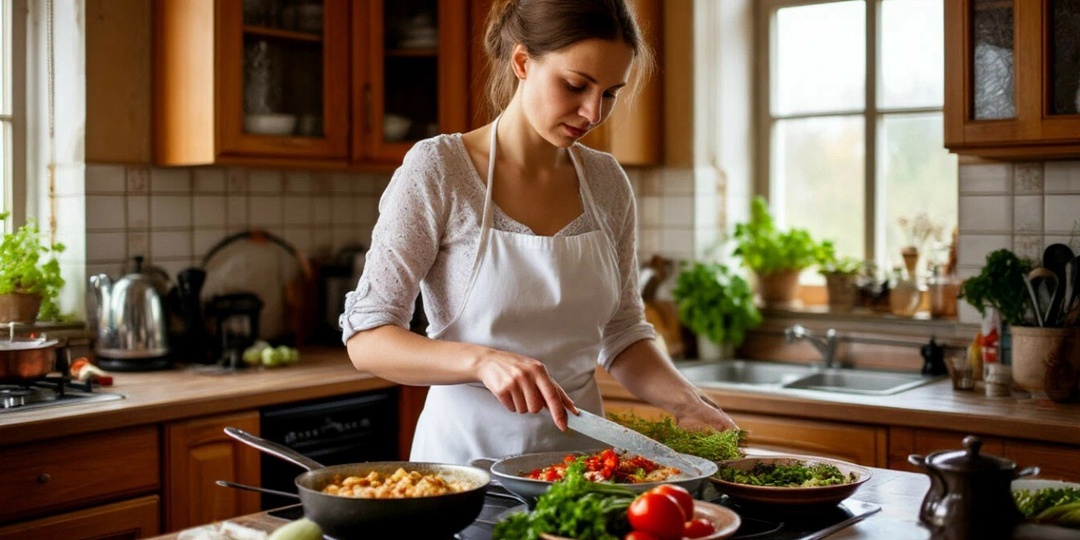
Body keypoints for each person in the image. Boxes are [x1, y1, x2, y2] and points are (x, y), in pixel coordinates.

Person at [341, 0, 738, 465]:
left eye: (609, 93)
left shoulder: (606, 182)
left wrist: (686, 401)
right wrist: (480, 361)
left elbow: (624, 332)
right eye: (575, 85)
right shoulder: (440, 170)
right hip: (466, 469)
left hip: (583, 470)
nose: (592, 112)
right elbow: (368, 337)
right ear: (523, 62)